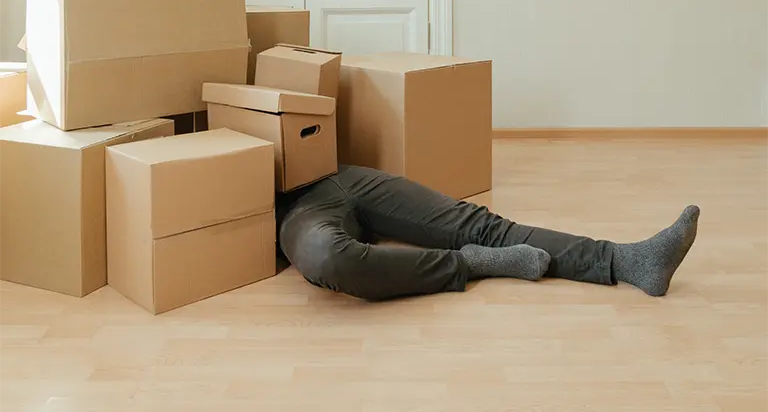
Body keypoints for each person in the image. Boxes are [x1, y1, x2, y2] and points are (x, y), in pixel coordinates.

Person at [276, 165, 699, 301]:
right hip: (289, 209)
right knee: (333, 257)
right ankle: (472, 263)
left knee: (481, 224)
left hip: (333, 171)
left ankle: (626, 260)